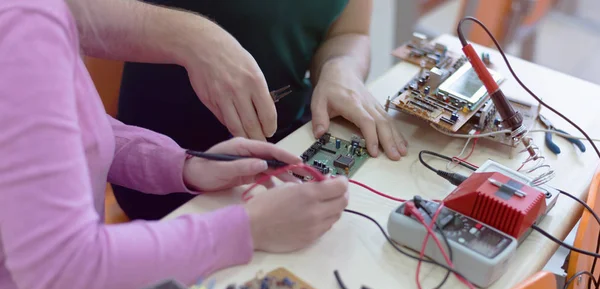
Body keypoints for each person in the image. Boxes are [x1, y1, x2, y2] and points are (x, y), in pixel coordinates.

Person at [0, 0, 349, 289]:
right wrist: (249, 228)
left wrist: (184, 166)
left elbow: (73, 129)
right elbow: (66, 273)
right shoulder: (24, 22)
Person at [67, 0, 408, 220]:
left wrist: (340, 65)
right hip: (171, 174)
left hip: (290, 149)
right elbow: (64, 9)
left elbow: (349, 32)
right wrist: (191, 37)